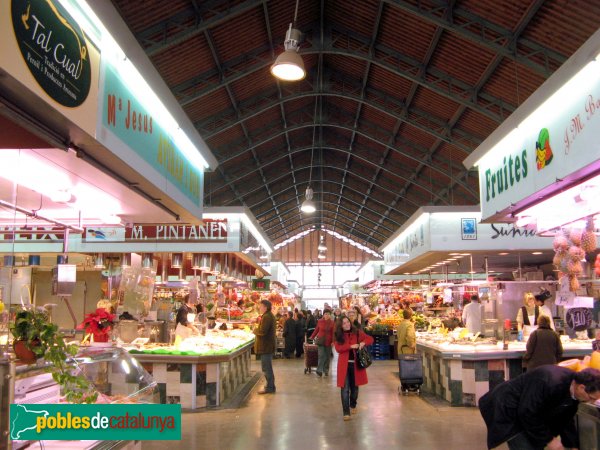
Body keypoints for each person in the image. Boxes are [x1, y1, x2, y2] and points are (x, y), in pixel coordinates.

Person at [479, 366, 600, 450]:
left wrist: (572, 445)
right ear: (582, 388)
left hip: (528, 409)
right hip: (508, 407)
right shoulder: (550, 382)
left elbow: (565, 419)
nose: (593, 401)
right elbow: (527, 413)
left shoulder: (574, 389)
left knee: (536, 443)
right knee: (526, 445)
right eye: (592, 398)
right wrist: (550, 440)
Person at [334, 315, 374, 421]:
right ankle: (346, 413)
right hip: (344, 365)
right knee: (345, 388)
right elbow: (338, 348)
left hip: (356, 365)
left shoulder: (357, 332)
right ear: (340, 326)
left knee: (355, 388)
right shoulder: (339, 335)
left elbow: (370, 339)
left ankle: (353, 404)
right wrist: (350, 346)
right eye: (344, 323)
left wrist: (363, 342)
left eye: (347, 322)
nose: (347, 324)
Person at [253, 299, 277, 394]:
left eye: (261, 306)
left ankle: (270, 387)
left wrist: (254, 330)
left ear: (265, 307)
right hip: (267, 346)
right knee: (267, 367)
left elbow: (263, 331)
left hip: (266, 346)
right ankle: (270, 386)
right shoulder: (268, 316)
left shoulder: (267, 317)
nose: (259, 307)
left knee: (267, 368)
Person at [310, 309, 335, 377]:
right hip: (320, 341)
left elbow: (333, 333)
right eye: (325, 314)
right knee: (321, 355)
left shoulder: (332, 322)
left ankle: (326, 370)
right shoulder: (320, 321)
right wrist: (312, 336)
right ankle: (319, 370)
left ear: (330, 315)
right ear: (323, 315)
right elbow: (316, 329)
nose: (327, 315)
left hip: (329, 342)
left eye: (328, 314)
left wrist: (333, 341)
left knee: (327, 356)